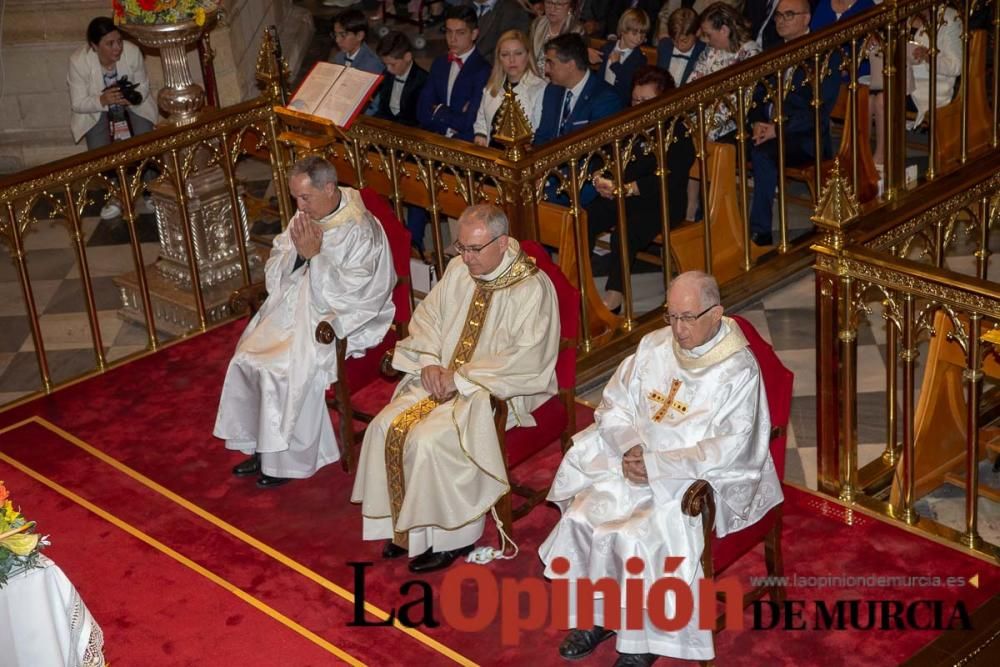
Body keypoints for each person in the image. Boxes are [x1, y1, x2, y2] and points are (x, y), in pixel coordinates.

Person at [539, 270, 782, 667]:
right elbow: (615, 403)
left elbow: (731, 446)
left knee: (636, 537)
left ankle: (643, 641)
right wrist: (630, 446)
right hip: (636, 464)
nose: (678, 329)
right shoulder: (653, 346)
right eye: (672, 316)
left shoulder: (738, 369)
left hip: (688, 481)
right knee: (584, 516)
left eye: (688, 318)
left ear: (717, 313)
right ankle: (599, 616)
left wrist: (657, 466)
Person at [352, 204, 559, 573]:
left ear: (503, 242)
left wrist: (461, 380)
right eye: (460, 247)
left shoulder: (531, 288)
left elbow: (527, 357)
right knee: (385, 426)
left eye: (474, 249)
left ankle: (454, 538)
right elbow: (429, 318)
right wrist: (430, 360)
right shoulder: (458, 271)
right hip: (440, 378)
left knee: (430, 441)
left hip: (495, 391)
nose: (465, 257)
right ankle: (406, 529)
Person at [214, 157, 396, 489]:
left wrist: (315, 257)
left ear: (329, 188)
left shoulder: (359, 228)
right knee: (247, 357)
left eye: (305, 197)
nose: (299, 206)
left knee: (280, 369)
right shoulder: (308, 214)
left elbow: (356, 293)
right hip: (294, 308)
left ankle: (285, 461)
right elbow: (280, 260)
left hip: (337, 319)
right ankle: (262, 445)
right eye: (296, 197)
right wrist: (300, 255)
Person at [587, 67, 693, 313]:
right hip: (626, 195)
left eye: (646, 101)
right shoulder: (629, 123)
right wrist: (600, 179)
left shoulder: (678, 130)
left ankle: (615, 295)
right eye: (635, 99)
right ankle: (577, 283)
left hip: (663, 201)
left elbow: (670, 178)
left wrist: (627, 188)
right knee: (588, 216)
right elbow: (607, 156)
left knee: (626, 230)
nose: (638, 105)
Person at [746, 0, 840, 246]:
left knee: (763, 153)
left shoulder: (823, 54)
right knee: (723, 146)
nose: (781, 21)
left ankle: (761, 231)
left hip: (805, 137)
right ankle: (716, 222)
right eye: (778, 16)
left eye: (789, 15)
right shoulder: (773, 49)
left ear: (807, 18)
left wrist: (778, 129)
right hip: (769, 127)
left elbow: (818, 111)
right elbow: (757, 94)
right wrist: (756, 121)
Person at [68, 16, 157, 219]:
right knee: (101, 152)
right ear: (94, 46)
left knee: (145, 140)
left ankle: (149, 188)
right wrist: (102, 100)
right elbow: (78, 103)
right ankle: (116, 194)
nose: (117, 47)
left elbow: (143, 85)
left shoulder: (132, 52)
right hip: (96, 110)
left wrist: (133, 98)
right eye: (110, 44)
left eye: (119, 41)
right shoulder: (78, 62)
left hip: (134, 107)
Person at [417, 5, 493, 141]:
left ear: (474, 34)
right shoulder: (439, 63)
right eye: (448, 32)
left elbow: (469, 122)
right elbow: (422, 111)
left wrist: (438, 110)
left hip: (464, 144)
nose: (452, 39)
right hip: (435, 138)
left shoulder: (483, 70)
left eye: (460, 33)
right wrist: (452, 117)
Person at [687, 3, 760, 142]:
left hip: (729, 125)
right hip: (700, 115)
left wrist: (702, 124)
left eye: (708, 34)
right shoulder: (711, 50)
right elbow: (693, 83)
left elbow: (737, 103)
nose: (705, 39)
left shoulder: (750, 54)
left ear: (724, 30)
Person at [534, 33, 622, 144]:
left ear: (570, 65)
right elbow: (542, 136)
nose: (546, 69)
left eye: (551, 63)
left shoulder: (606, 99)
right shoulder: (552, 90)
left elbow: (596, 150)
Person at [474, 30, 547, 146]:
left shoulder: (540, 89)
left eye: (518, 53)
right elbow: (481, 120)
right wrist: (480, 135)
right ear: (499, 58)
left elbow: (538, 133)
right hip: (491, 154)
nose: (511, 60)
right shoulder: (492, 87)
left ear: (528, 55)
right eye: (505, 55)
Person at [597, 9, 651, 106]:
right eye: (634, 33)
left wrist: (616, 65)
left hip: (620, 104)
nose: (638, 39)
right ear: (623, 30)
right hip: (600, 98)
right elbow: (599, 77)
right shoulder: (607, 48)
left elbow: (630, 85)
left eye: (642, 35)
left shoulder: (640, 59)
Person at [373, 31, 429, 126]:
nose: (388, 69)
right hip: (387, 125)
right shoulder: (387, 74)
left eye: (392, 64)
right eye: (385, 64)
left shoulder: (423, 81)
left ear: (407, 57)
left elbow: (421, 120)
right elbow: (383, 108)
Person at [529, 0, 586, 74]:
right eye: (549, 2)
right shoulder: (537, 23)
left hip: (560, 81)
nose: (553, 8)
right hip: (533, 77)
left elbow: (574, 70)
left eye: (559, 4)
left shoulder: (577, 30)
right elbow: (530, 55)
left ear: (570, 7)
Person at [655, 7, 705, 88]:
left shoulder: (703, 52)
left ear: (698, 32)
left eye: (684, 41)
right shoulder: (664, 46)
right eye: (674, 40)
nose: (679, 45)